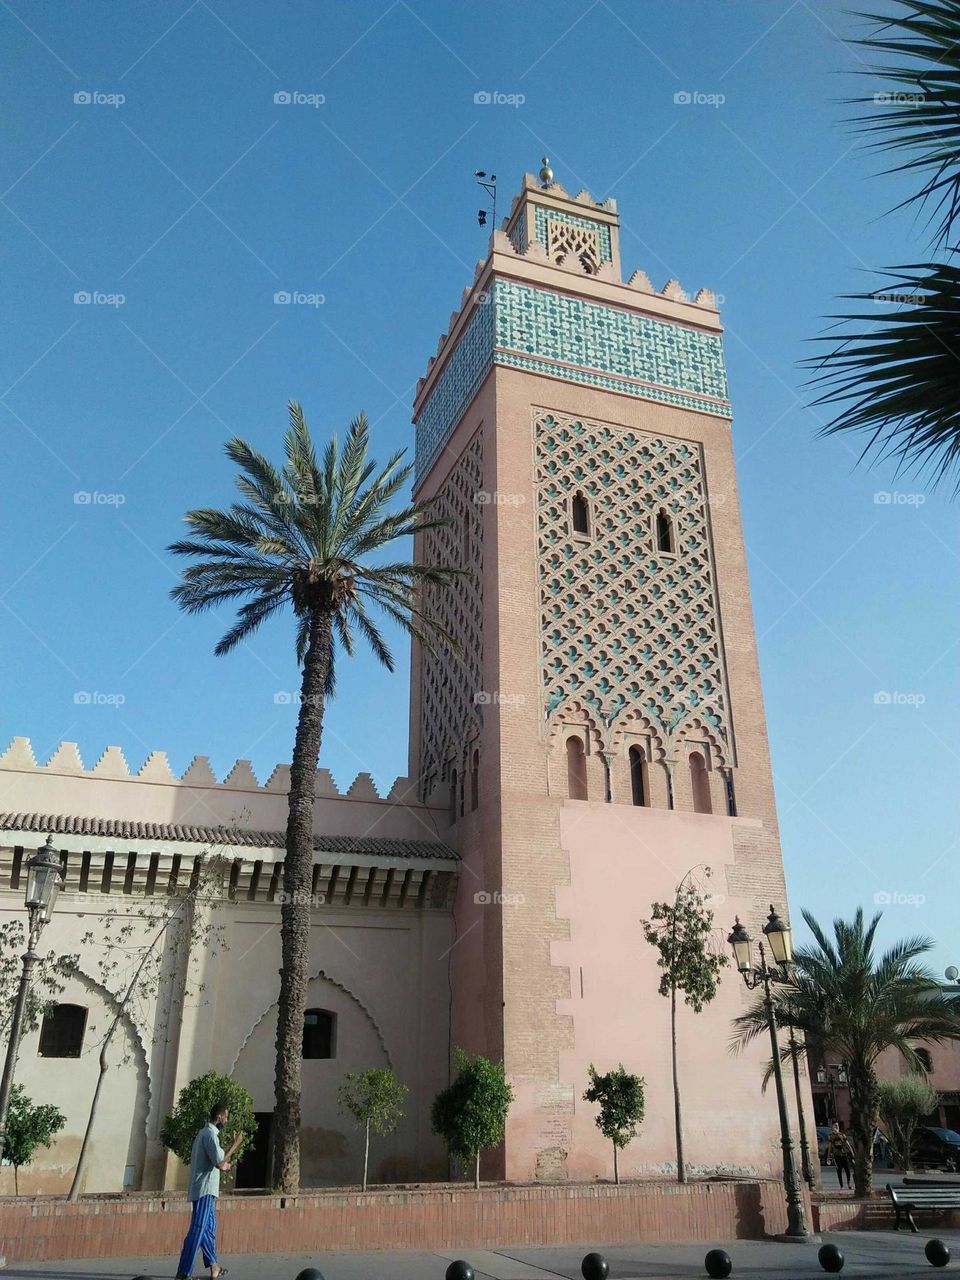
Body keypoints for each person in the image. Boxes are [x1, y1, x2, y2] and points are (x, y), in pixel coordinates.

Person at [176, 1101, 242, 1280]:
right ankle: (184, 1271)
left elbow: (220, 1163)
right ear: (219, 1116)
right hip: (204, 1189)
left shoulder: (206, 1134)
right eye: (226, 1117)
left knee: (209, 1228)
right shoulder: (210, 1135)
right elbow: (219, 1163)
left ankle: (214, 1266)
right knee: (198, 1229)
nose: (226, 1121)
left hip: (206, 1188)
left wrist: (226, 1165)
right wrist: (235, 1146)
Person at [827, 1120, 854, 1190]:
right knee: (839, 1171)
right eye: (835, 1125)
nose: (836, 1126)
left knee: (847, 1170)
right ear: (832, 1127)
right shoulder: (831, 1136)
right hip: (836, 1155)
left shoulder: (842, 1135)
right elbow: (830, 1147)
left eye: (837, 1125)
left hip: (843, 1154)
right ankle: (841, 1186)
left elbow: (847, 1144)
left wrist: (852, 1153)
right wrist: (828, 1157)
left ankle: (849, 1183)